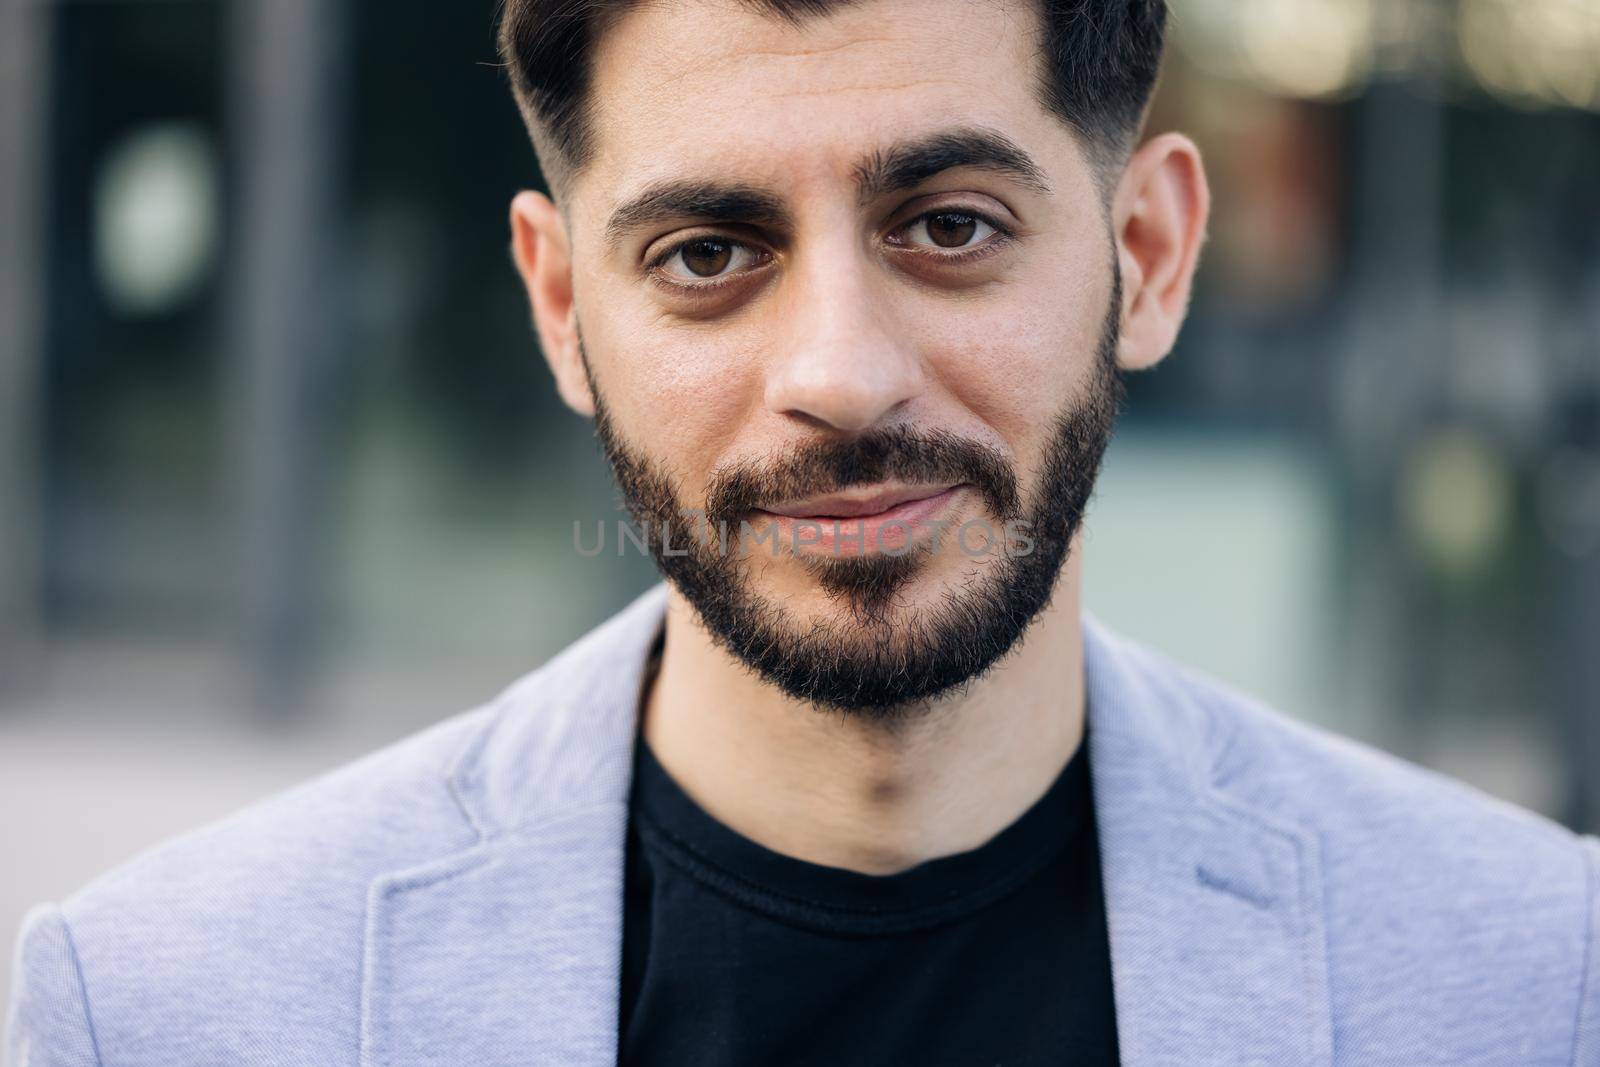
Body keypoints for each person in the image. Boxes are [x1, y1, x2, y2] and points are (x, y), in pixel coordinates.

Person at [8, 1, 1599, 1064]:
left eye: (951, 227)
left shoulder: (1540, 985)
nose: (838, 374)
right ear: (564, 310)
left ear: (1149, 254)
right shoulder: (155, 1010)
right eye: (708, 252)